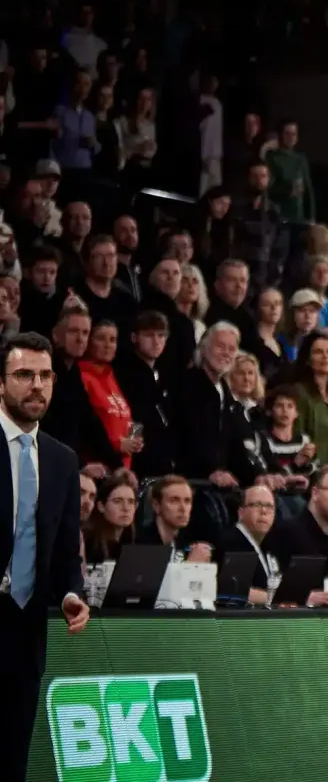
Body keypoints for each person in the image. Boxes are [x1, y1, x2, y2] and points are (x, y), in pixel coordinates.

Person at [0, 332, 91, 780]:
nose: (36, 385)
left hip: (27, 629)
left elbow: (65, 548)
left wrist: (71, 593)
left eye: (45, 375)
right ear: (1, 383)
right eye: (23, 374)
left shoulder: (62, 459)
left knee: (12, 758)